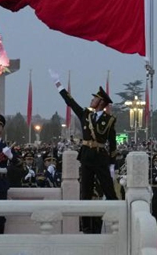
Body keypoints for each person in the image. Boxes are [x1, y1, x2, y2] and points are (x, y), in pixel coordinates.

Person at [49, 69, 118, 234]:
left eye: (95, 98)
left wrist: (112, 165)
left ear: (101, 102)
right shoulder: (86, 115)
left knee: (109, 190)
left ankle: (118, 218)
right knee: (85, 192)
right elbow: (71, 103)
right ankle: (86, 226)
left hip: (100, 156)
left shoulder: (109, 121)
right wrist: (59, 85)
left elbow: (113, 144)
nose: (92, 100)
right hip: (86, 155)